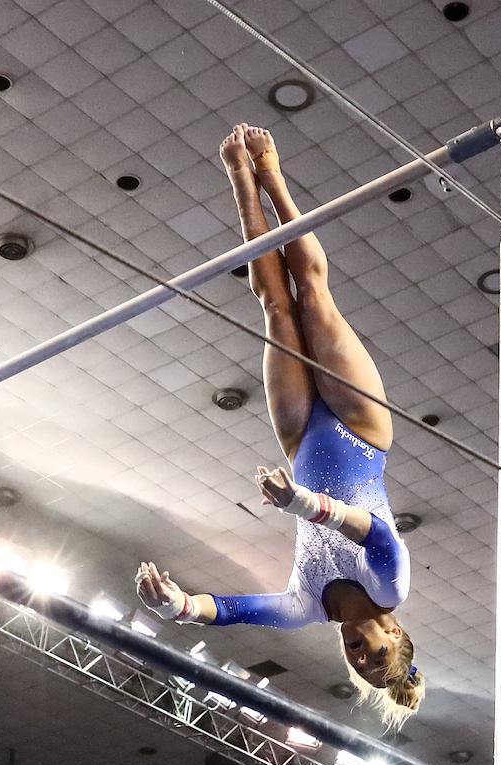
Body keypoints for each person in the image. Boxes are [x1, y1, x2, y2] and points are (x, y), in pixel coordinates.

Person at [135, 124, 423, 728]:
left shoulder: (305, 605)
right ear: (393, 630)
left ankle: (241, 177)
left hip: (299, 441)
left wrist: (178, 607)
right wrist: (304, 505)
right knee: (314, 297)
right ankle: (274, 175)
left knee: (273, 305)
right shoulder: (389, 588)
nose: (359, 653)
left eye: (357, 665)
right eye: (377, 654)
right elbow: (375, 534)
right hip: (361, 429)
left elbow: (237, 610)